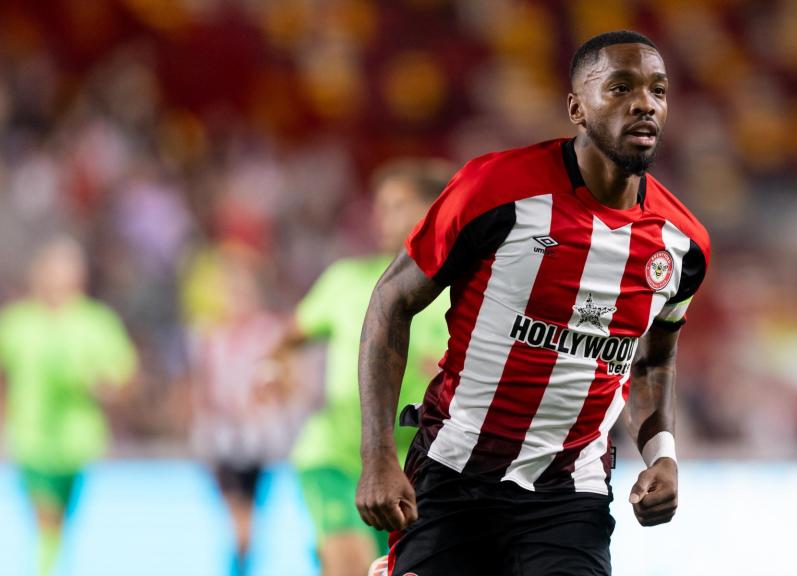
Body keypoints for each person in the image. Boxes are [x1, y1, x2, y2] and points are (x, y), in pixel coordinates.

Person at [356, 30, 710, 576]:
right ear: (577, 107)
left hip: (570, 492)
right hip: (455, 472)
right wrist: (377, 456)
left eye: (658, 91)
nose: (645, 103)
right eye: (620, 88)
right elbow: (390, 302)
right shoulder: (495, 189)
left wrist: (661, 454)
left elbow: (653, 358)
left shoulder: (682, 245)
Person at [263, 160, 454, 576]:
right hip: (335, 456)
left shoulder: (465, 293)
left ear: (434, 211)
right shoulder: (345, 280)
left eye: (396, 205)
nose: (380, 217)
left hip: (420, 470)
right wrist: (273, 370)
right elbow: (287, 339)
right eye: (379, 206)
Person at [0, 236, 138, 576]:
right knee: (47, 519)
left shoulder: (96, 322)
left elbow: (125, 379)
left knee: (60, 525)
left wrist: (104, 388)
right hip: (32, 440)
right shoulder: (19, 321)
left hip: (80, 443)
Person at [189, 247, 292, 576]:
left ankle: (240, 566)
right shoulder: (209, 335)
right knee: (240, 518)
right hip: (222, 437)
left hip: (254, 438)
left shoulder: (269, 333)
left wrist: (266, 398)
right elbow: (202, 387)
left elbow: (287, 381)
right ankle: (241, 564)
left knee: (245, 518)